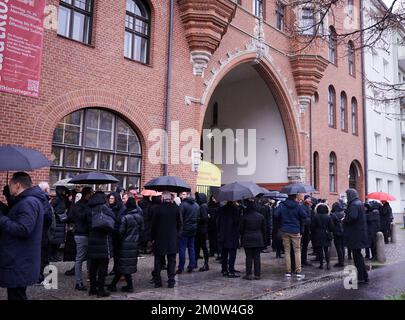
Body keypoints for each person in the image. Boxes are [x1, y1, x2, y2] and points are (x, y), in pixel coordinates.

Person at [0, 172, 45, 300]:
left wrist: (1, 219)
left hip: (19, 261)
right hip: (18, 260)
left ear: (17, 185)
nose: (9, 187)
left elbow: (23, 229)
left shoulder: (28, 202)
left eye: (10, 185)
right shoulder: (27, 201)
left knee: (17, 296)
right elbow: (16, 215)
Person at [108, 197, 144, 293]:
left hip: (124, 245)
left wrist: (117, 241)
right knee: (124, 266)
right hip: (134, 244)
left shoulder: (125, 218)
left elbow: (121, 232)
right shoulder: (140, 217)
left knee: (123, 266)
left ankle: (128, 286)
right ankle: (114, 285)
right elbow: (142, 230)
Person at [87, 191, 116, 297]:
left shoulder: (89, 208)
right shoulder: (104, 208)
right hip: (103, 240)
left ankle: (92, 288)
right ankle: (101, 290)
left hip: (91, 240)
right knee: (103, 268)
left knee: (93, 266)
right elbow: (113, 219)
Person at [151, 192, 182, 288]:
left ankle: (157, 281)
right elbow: (180, 223)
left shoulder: (157, 209)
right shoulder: (176, 208)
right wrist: (177, 235)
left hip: (159, 238)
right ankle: (171, 281)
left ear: (162, 198)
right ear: (170, 198)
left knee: (158, 260)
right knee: (172, 260)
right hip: (172, 238)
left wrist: (152, 238)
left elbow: (153, 225)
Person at [273, 194, 306, 279]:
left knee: (287, 251)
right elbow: (304, 215)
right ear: (295, 197)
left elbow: (276, 215)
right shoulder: (298, 205)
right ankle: (298, 271)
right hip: (295, 230)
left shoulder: (282, 205)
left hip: (284, 230)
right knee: (297, 251)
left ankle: (288, 271)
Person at [68, 187, 93, 291]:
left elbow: (70, 217)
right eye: (91, 193)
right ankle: (82, 281)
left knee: (81, 258)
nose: (92, 195)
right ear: (87, 194)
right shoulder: (86, 206)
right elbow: (86, 218)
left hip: (78, 233)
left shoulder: (76, 205)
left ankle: (82, 281)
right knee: (83, 258)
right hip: (84, 234)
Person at [343, 188, 369, 284]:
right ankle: (364, 276)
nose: (346, 197)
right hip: (359, 233)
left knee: (357, 257)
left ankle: (360, 278)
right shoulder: (359, 203)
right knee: (359, 256)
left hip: (355, 235)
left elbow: (352, 217)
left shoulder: (354, 204)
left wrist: (344, 220)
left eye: (347, 195)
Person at [240, 198, 266, 280]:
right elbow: (264, 229)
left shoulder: (244, 217)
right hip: (258, 238)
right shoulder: (261, 216)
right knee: (257, 257)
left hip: (247, 238)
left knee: (248, 257)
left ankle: (249, 274)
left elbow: (241, 229)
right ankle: (257, 274)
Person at [217, 201, 241, 278]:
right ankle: (231, 270)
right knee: (232, 254)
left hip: (223, 234)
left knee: (224, 253)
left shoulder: (221, 209)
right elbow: (237, 222)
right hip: (232, 235)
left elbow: (217, 222)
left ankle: (224, 269)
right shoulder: (236, 210)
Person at [177, 192, 199, 274]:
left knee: (182, 249)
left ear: (187, 196)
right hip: (193, 229)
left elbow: (180, 218)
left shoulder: (183, 205)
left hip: (184, 229)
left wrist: (180, 229)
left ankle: (181, 267)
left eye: (183, 194)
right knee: (191, 248)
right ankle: (191, 266)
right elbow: (198, 218)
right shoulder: (196, 205)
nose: (182, 196)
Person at [37, 181, 54, 283]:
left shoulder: (36, 198)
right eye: (48, 190)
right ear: (45, 190)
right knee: (42, 255)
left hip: (39, 232)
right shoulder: (44, 200)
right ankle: (39, 277)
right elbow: (47, 217)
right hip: (43, 232)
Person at [49, 186, 70, 262]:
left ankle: (55, 255)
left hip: (61, 221)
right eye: (63, 191)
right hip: (56, 222)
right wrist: (56, 213)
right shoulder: (56, 199)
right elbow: (50, 208)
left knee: (58, 241)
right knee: (54, 241)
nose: (64, 192)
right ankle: (51, 256)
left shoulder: (63, 199)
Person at [311, 203, 334, 270]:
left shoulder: (315, 217)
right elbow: (331, 227)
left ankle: (321, 264)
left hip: (317, 234)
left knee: (320, 250)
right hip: (326, 234)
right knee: (326, 250)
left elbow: (312, 226)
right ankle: (328, 264)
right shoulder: (328, 217)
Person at [108, 192, 126, 276]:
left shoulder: (121, 209)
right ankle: (116, 269)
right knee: (115, 253)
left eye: (112, 199)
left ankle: (119, 271)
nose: (110, 200)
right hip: (113, 233)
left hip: (118, 234)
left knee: (119, 254)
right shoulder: (111, 208)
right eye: (110, 198)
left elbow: (120, 221)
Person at [195, 192, 210, 272]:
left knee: (203, 247)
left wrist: (197, 220)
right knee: (198, 247)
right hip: (201, 229)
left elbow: (204, 218)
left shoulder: (203, 206)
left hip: (202, 230)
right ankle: (196, 263)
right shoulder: (202, 206)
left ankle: (206, 264)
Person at [330, 202, 345, 267]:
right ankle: (342, 260)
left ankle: (340, 262)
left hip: (336, 232)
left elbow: (331, 225)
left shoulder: (333, 214)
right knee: (342, 247)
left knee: (338, 247)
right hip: (343, 231)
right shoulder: (343, 213)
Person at [301, 195, 312, 266]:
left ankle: (304, 260)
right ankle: (303, 260)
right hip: (304, 228)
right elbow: (305, 217)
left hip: (307, 228)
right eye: (308, 199)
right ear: (305, 199)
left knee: (305, 245)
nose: (310, 200)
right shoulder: (303, 206)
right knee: (303, 245)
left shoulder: (308, 206)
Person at [207, 195, 220, 259]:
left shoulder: (219, 206)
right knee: (211, 239)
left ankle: (217, 252)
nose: (214, 199)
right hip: (211, 225)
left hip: (216, 225)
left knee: (216, 240)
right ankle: (212, 251)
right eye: (213, 197)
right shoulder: (209, 205)